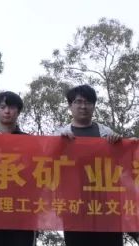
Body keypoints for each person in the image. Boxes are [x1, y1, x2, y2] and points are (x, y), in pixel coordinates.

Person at [55, 85, 123, 246]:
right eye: (78, 102)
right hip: (74, 206)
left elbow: (123, 163)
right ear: (70, 105)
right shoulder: (60, 135)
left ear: (94, 105)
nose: (83, 106)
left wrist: (120, 143)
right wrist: (58, 145)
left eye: (88, 102)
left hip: (106, 206)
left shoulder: (105, 132)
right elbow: (46, 164)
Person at [0, 92, 35, 246]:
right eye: (2, 107)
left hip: (23, 209)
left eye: (12, 107)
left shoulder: (30, 142)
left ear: (18, 112)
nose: (7, 111)